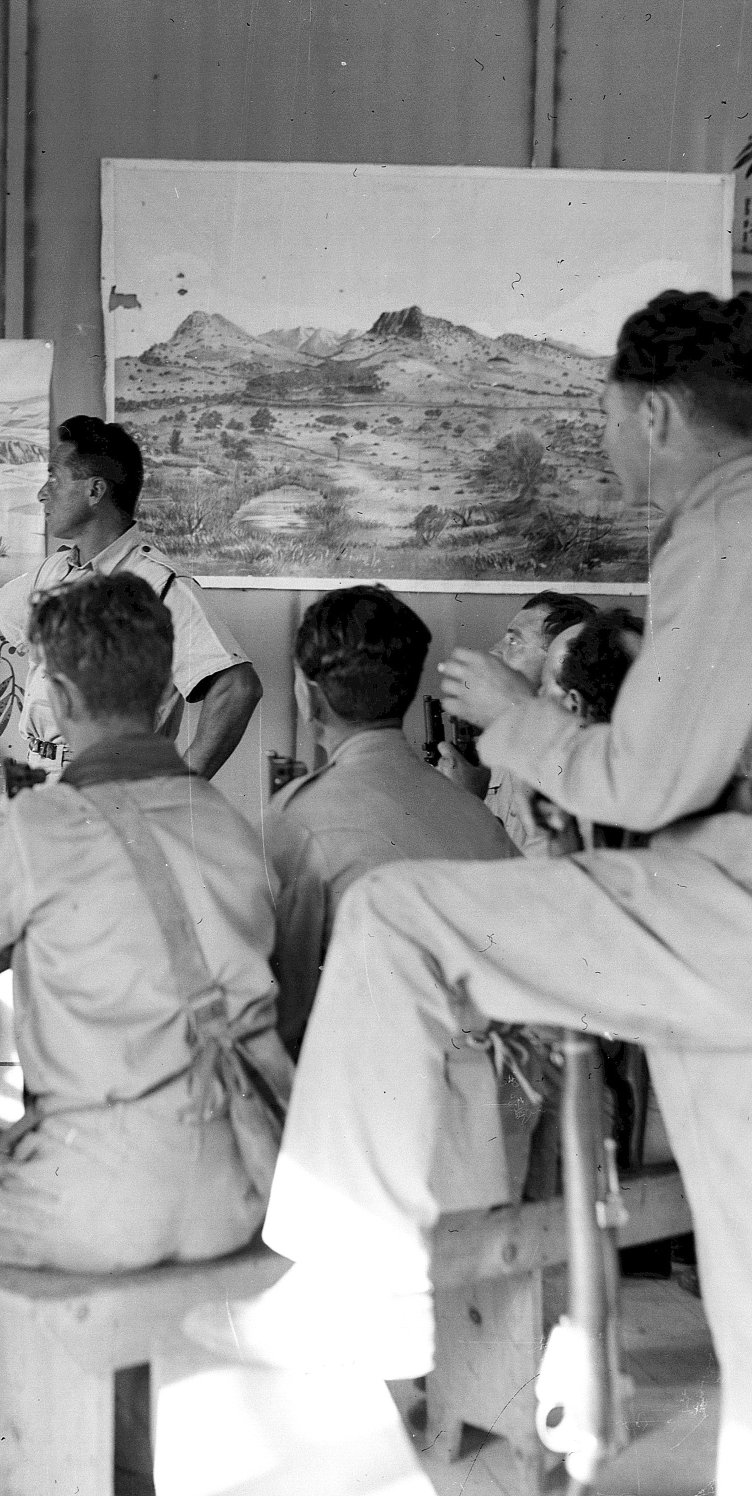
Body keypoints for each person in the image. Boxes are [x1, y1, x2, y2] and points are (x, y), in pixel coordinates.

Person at [185, 290, 752, 1494]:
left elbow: (649, 777)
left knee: (399, 918)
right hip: (692, 968)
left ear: (653, 409)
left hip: (724, 904)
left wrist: (515, 721)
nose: (605, 448)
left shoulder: (724, 524)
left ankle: (357, 1297)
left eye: (605, 419)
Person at [0, 571, 290, 1496]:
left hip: (101, 1188)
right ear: (166, 699)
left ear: (60, 695)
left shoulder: (39, 823)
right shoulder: (232, 824)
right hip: (248, 1178)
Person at [0, 415, 262, 777]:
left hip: (113, 784)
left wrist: (182, 793)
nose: (42, 494)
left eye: (53, 479)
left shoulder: (159, 585)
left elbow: (237, 688)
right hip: (41, 775)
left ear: (95, 490)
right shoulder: (56, 570)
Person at [265, 585, 515, 1058]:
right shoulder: (477, 816)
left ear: (310, 698)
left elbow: (287, 1016)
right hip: (482, 1091)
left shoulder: (297, 823)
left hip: (360, 1091)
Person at [436, 589, 596, 854]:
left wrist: (467, 804)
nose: (495, 652)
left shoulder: (571, 765)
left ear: (558, 662)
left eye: (513, 641)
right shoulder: (494, 751)